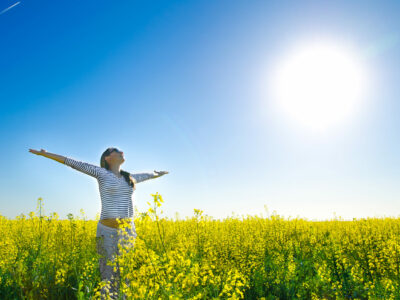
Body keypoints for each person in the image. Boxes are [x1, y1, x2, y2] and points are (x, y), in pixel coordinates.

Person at [29, 147, 168, 299]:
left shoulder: (130, 178)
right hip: (106, 231)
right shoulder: (101, 173)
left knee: (126, 273)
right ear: (107, 158)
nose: (121, 151)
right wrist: (45, 154)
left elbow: (148, 175)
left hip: (128, 232)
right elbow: (72, 163)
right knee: (107, 274)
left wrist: (158, 173)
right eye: (116, 150)